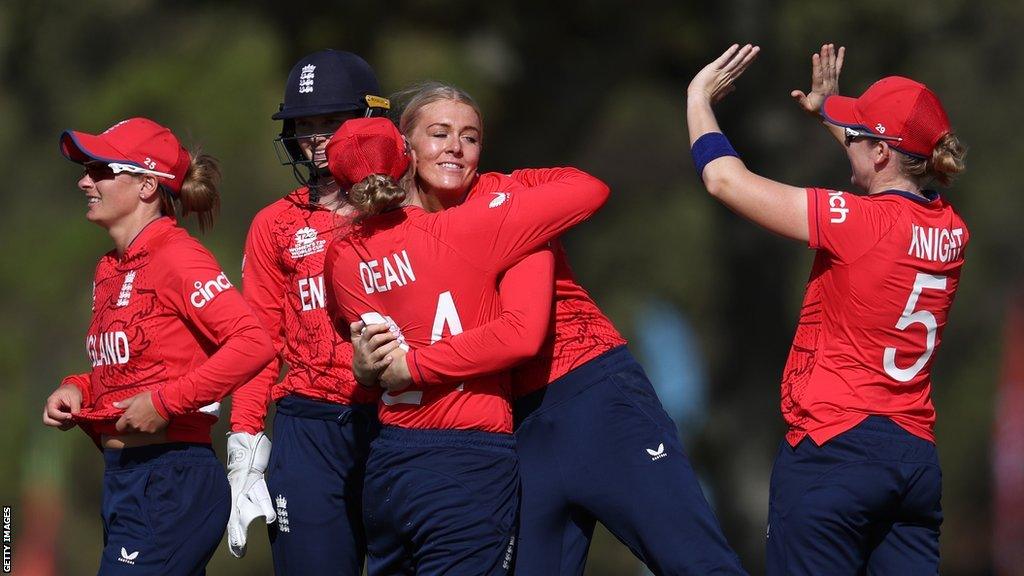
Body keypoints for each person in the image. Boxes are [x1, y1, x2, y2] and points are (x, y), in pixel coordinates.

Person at [354, 82, 748, 575]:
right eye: (439, 133)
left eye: (471, 137)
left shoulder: (510, 200)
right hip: (514, 430)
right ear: (404, 146)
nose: (456, 147)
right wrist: (367, 368)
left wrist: (411, 366)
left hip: (593, 397)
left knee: (697, 563)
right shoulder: (386, 235)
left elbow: (523, 332)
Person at [686, 44, 968, 575]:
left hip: (835, 450)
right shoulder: (951, 229)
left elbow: (724, 179)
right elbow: (887, 170)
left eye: (858, 136)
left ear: (882, 152)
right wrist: (835, 116)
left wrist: (698, 98)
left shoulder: (855, 222)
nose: (851, 144)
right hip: (912, 462)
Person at [323, 116, 610, 575]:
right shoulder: (464, 230)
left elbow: (353, 338)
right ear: (408, 161)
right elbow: (589, 189)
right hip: (465, 458)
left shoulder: (338, 257)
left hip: (388, 461)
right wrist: (510, 185)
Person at [43, 117, 275, 575]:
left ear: (147, 185)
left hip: (171, 478)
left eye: (101, 170)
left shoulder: (177, 256)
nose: (84, 180)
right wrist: (77, 389)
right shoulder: (109, 267)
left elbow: (254, 342)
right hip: (125, 478)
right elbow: (132, 367)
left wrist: (166, 403)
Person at [224, 49, 390, 575]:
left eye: (332, 122)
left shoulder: (410, 209)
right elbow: (258, 338)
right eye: (305, 125)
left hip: (404, 418)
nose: (316, 138)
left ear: (369, 122)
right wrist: (245, 439)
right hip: (309, 426)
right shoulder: (275, 224)